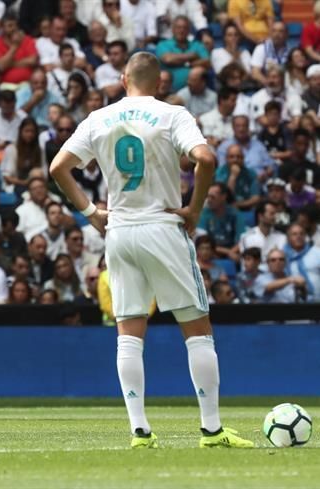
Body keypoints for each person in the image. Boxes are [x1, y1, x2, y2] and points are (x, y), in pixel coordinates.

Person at [49, 52, 253, 448]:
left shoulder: (98, 119)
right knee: (197, 331)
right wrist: (193, 209)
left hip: (119, 231)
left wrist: (91, 212)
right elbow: (206, 159)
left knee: (129, 333)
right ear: (159, 83)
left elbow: (59, 167)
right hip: (162, 226)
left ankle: (139, 431)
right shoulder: (172, 114)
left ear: (123, 78)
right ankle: (211, 430)